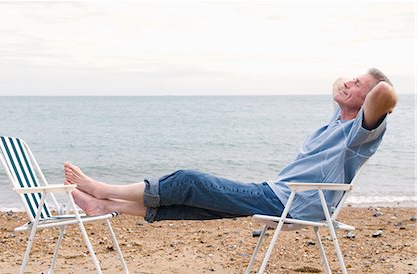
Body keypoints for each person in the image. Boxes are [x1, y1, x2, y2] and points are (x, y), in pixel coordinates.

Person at [64, 68, 397, 223]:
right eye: (352, 80)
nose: (348, 84)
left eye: (358, 86)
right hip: (279, 194)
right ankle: (107, 206)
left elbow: (385, 96)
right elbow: (338, 81)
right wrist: (350, 87)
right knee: (194, 202)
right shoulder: (338, 119)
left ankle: (101, 188)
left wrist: (373, 89)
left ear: (368, 100)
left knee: (189, 181)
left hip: (291, 203)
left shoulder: (358, 134)